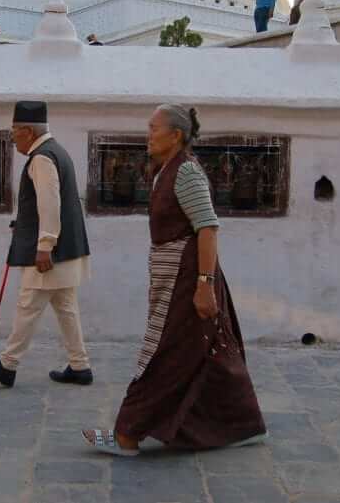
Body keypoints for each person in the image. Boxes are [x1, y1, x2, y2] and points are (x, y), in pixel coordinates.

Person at [82, 104, 266, 456]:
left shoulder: (187, 174)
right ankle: (243, 424)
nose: (147, 135)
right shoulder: (164, 171)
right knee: (204, 350)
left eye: (153, 129)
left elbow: (208, 228)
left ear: (175, 135)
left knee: (165, 355)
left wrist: (203, 284)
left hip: (188, 279)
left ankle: (127, 435)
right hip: (173, 278)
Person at [0, 101, 94, 388]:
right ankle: (80, 366)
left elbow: (50, 204)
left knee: (28, 305)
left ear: (27, 130)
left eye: (14, 131)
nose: (12, 137)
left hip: (51, 254)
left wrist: (45, 245)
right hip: (68, 251)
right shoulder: (57, 151)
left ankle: (8, 365)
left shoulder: (42, 157)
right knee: (66, 307)